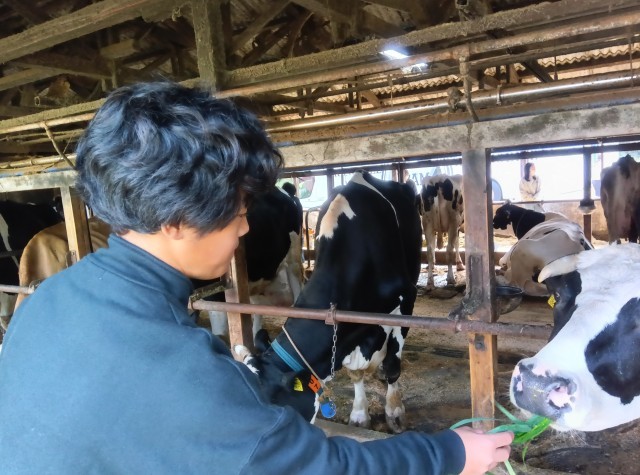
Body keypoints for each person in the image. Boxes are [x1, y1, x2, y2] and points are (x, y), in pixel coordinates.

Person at [0, 82, 512, 474]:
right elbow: (318, 469)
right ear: (176, 218)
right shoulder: (177, 365)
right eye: (238, 210)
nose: (245, 227)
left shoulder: (50, 298)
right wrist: (450, 453)